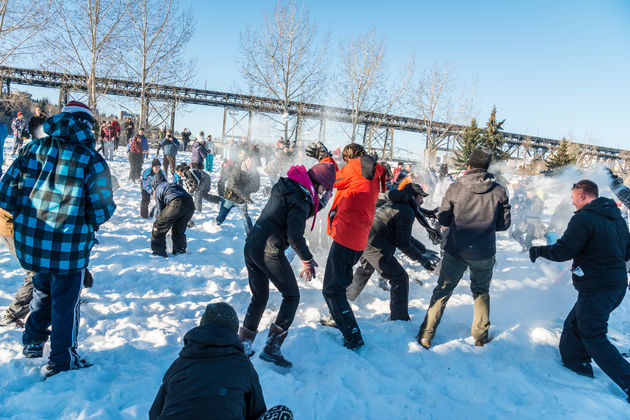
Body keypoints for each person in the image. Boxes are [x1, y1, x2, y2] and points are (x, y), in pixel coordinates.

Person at [0, 100, 116, 377]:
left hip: (33, 244)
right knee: (66, 302)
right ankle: (63, 359)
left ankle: (32, 341)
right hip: (69, 247)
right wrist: (87, 219)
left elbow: (5, 195)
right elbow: (102, 210)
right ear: (87, 127)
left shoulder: (32, 149)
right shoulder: (91, 160)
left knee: (42, 290)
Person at [529, 180, 630, 403]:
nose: (572, 202)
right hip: (614, 286)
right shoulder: (617, 219)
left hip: (598, 288)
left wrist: (539, 250)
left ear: (584, 195)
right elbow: (626, 252)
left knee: (594, 336)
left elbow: (564, 251)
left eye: (574, 197)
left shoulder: (583, 218)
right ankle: (577, 363)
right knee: (574, 325)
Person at [239, 162, 336, 367]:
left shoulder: (289, 186)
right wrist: (307, 259)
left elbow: (290, 217)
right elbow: (294, 234)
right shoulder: (301, 199)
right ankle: (272, 348)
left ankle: (244, 345)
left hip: (252, 245)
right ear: (318, 184)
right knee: (292, 296)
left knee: (259, 297)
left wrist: (315, 204)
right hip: (269, 251)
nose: (325, 194)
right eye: (326, 189)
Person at [417, 146, 511, 349]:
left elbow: (443, 217)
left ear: (469, 166)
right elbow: (504, 224)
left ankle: (426, 335)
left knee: (442, 290)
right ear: (486, 167)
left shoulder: (455, 188)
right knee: (480, 291)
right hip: (484, 251)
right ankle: (480, 335)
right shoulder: (499, 190)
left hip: (456, 249)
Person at [149, 302, 293, 420]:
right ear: (234, 332)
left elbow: (154, 413)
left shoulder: (179, 363)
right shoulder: (243, 365)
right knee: (282, 413)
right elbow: (257, 412)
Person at [306, 141, 386, 349]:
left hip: (346, 237)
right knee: (339, 285)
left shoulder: (354, 169)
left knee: (332, 290)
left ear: (350, 158)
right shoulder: (372, 171)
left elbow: (332, 178)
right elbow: (343, 176)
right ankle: (339, 319)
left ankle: (353, 336)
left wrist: (324, 159)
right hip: (359, 238)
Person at [346, 184, 441, 321]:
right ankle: (399, 319)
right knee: (400, 278)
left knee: (366, 269)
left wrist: (423, 250)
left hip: (365, 239)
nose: (422, 201)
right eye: (421, 197)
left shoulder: (398, 204)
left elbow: (403, 236)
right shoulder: (405, 210)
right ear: (413, 197)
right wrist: (421, 258)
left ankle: (346, 298)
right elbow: (403, 243)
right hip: (374, 245)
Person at [216, 151, 261, 233]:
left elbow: (256, 186)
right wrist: (245, 196)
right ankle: (215, 224)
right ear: (245, 160)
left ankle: (250, 236)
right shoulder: (237, 169)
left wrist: (248, 189)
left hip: (241, 200)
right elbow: (233, 186)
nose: (250, 163)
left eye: (252, 161)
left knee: (246, 218)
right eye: (248, 161)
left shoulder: (254, 172)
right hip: (230, 197)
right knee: (220, 218)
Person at [150, 176, 195, 258]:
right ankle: (180, 251)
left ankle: (158, 252)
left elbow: (161, 209)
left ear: (154, 186)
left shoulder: (159, 188)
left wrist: (162, 222)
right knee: (178, 230)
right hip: (190, 204)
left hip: (176, 202)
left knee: (159, 226)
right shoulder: (172, 185)